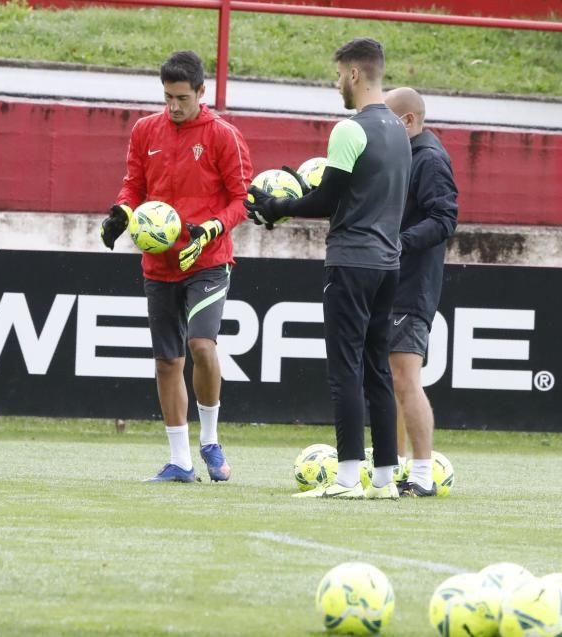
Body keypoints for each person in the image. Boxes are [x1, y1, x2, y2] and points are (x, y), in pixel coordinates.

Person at [245, 37, 411, 499]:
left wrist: (278, 205)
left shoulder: (349, 129)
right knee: (377, 370)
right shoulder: (400, 129)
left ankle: (345, 479)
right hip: (387, 265)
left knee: (345, 371)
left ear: (355, 74)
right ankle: (383, 480)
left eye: (338, 74)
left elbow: (327, 199)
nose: (336, 82)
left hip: (352, 262)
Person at [99, 50, 253, 483]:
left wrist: (210, 228)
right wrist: (121, 213)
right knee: (168, 361)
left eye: (182, 98)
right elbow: (134, 184)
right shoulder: (145, 130)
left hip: (207, 260)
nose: (173, 106)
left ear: (201, 92)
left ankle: (209, 439)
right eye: (167, 97)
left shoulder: (223, 136)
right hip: (158, 264)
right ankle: (180, 461)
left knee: (202, 346)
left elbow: (243, 200)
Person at [383, 87, 458, 497]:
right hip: (388, 281)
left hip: (412, 285)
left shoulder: (429, 158)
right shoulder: (403, 156)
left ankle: (423, 475)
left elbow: (445, 219)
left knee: (405, 377)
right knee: (388, 378)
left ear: (409, 121)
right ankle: (393, 470)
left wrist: (400, 243)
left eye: (388, 122)